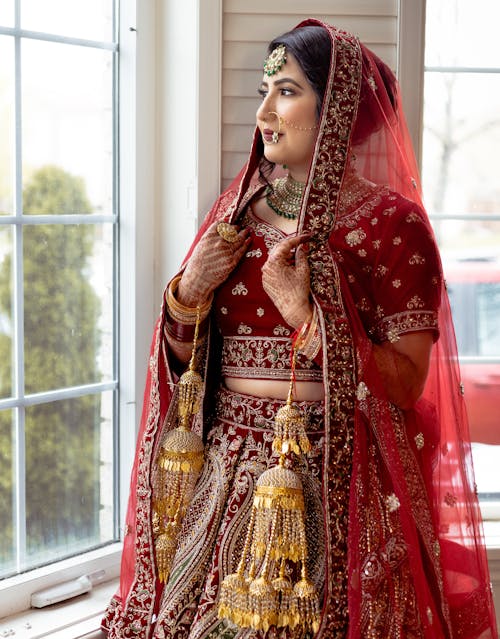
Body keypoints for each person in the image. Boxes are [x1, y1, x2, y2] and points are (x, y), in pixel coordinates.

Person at [102, 19, 498, 639]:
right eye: (266, 89)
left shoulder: (394, 226)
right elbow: (188, 373)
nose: (263, 111)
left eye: (285, 91)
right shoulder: (235, 214)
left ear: (337, 108)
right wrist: (188, 294)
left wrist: (309, 319)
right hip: (225, 482)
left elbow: (405, 383)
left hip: (338, 486)